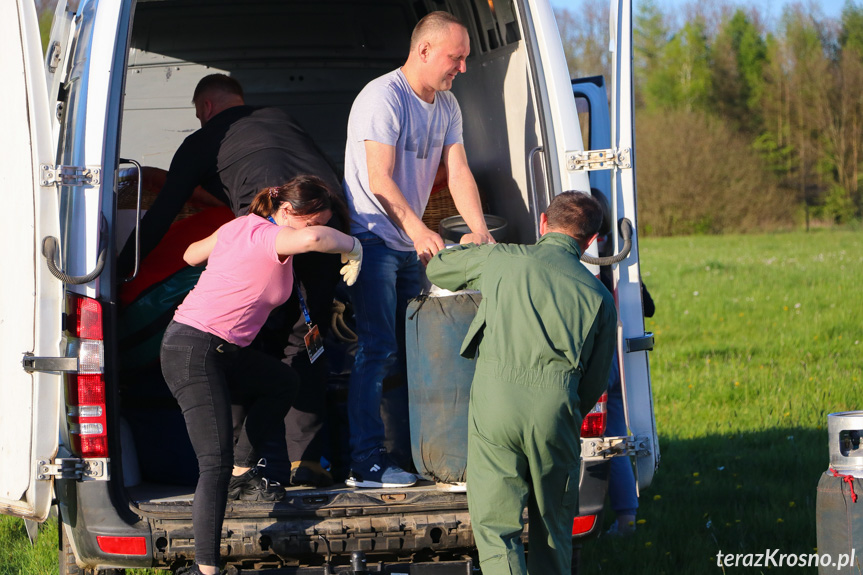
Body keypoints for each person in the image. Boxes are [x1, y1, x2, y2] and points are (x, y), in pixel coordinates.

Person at [119, 73, 344, 487]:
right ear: (238, 97)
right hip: (331, 233)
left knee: (240, 347)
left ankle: (247, 464)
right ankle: (306, 462)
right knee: (306, 341)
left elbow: (163, 212)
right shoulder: (281, 117)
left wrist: (119, 269)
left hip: (269, 240)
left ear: (205, 108)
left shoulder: (204, 141)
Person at [161, 176, 362, 575]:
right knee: (211, 463)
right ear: (286, 212)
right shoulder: (270, 236)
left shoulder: (238, 227)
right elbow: (312, 242)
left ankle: (241, 472)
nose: (318, 230)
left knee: (283, 381)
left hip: (222, 350)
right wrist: (354, 247)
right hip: (194, 350)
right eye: (314, 222)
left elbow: (189, 255)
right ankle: (207, 568)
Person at [425, 191, 618, 575]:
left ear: (543, 223)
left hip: (496, 401)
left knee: (497, 527)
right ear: (591, 240)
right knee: (553, 525)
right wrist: (561, 406)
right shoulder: (599, 298)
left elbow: (439, 269)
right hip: (555, 407)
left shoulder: (503, 258)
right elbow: (596, 381)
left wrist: (470, 243)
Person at [342, 10, 494, 488]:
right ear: (424, 50)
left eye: (466, 59)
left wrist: (480, 231)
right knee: (378, 349)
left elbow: (460, 170)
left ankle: (417, 454)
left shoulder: (447, 106)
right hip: (371, 239)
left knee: (420, 351)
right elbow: (378, 178)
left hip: (407, 242)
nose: (462, 68)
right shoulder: (382, 97)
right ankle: (364, 462)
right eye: (457, 57)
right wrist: (416, 230)